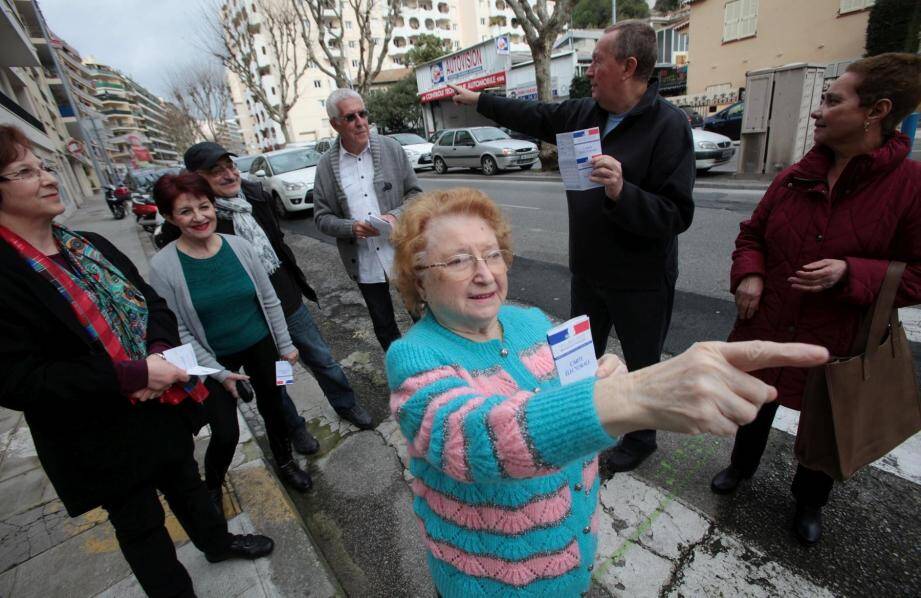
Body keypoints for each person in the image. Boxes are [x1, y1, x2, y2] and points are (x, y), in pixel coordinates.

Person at [385, 187, 827, 597]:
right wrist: (631, 397)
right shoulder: (414, 357)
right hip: (494, 581)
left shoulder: (532, 321)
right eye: (459, 260)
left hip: (572, 554)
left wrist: (602, 380)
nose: (485, 274)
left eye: (493, 254)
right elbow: (477, 439)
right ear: (420, 279)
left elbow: (570, 411)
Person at [0, 125, 273, 598]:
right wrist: (132, 375)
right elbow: (19, 380)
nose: (48, 178)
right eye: (25, 171)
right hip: (95, 433)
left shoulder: (88, 246)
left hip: (158, 405)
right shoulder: (8, 277)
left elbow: (151, 305)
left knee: (187, 483)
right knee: (140, 523)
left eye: (45, 166)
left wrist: (156, 355)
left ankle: (216, 542)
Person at [448, 20, 695, 474]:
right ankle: (583, 421)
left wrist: (623, 190)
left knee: (641, 364)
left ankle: (640, 439)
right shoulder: (584, 114)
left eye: (597, 61)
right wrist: (480, 100)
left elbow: (677, 215)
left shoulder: (669, 126)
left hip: (641, 281)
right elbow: (535, 115)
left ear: (629, 66)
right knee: (577, 361)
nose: (589, 70)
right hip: (588, 271)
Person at [711, 52, 921, 545]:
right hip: (770, 318)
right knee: (754, 402)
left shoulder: (910, 187)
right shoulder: (794, 176)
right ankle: (740, 468)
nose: (818, 110)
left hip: (838, 334)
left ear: (877, 111)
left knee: (825, 422)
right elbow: (752, 237)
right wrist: (751, 275)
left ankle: (809, 502)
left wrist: (852, 272)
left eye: (832, 100)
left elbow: (917, 274)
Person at [162, 141, 373, 438]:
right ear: (197, 179)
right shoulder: (200, 219)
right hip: (250, 317)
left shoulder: (255, 195)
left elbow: (277, 244)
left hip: (286, 300)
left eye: (230, 166)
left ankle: (345, 403)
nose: (228, 174)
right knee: (276, 378)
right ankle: (295, 428)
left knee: (321, 358)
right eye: (216, 171)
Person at [149, 172, 314, 498]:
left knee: (277, 404)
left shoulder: (239, 247)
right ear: (170, 217)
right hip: (211, 360)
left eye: (204, 206)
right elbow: (179, 330)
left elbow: (269, 298)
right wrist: (220, 374)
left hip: (261, 345)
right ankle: (212, 487)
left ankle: (284, 461)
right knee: (225, 432)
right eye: (186, 211)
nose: (199, 217)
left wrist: (285, 344)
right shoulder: (162, 267)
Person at [313, 88, 422, 352]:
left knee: (423, 316)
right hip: (364, 261)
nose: (361, 122)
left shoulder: (391, 149)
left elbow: (416, 195)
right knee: (384, 325)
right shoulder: (326, 167)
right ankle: (403, 375)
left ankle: (438, 369)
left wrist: (394, 216)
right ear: (335, 124)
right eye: (351, 117)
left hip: (401, 253)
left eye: (363, 114)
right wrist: (350, 228)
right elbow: (321, 217)